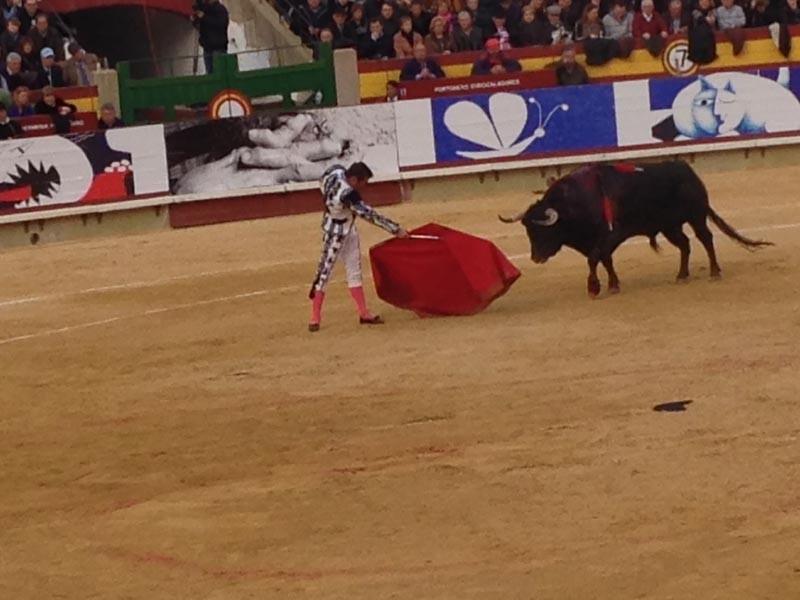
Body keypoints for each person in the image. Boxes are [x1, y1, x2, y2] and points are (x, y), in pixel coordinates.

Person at [308, 162, 408, 332]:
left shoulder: (335, 171)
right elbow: (368, 214)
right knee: (325, 273)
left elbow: (322, 181)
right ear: (354, 179)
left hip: (343, 229)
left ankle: (363, 313)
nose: (365, 186)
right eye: (363, 182)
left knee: (339, 271)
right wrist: (395, 229)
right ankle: (315, 317)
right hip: (335, 235)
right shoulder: (348, 195)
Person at [190, 0, 229, 74]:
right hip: (207, 47)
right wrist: (194, 20)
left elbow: (220, 24)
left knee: (219, 72)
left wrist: (204, 17)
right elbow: (200, 27)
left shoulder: (220, 9)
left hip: (218, 47)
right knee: (209, 73)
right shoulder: (205, 9)